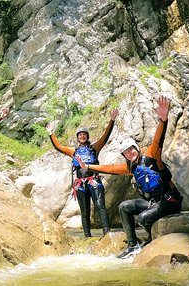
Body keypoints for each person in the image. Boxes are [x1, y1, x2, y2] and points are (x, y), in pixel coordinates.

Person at [77, 96, 182, 258]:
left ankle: (153, 240)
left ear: (136, 148)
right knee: (124, 206)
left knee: (142, 218)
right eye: (126, 152)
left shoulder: (151, 155)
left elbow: (158, 140)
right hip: (152, 203)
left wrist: (163, 119)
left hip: (169, 201)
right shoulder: (130, 167)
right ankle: (133, 245)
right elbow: (109, 168)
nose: (129, 153)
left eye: (131, 149)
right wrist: (88, 166)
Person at [46, 108, 119, 237]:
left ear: (87, 136)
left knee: (100, 206)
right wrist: (51, 133)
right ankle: (87, 236)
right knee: (84, 211)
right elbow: (59, 147)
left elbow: (104, 137)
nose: (82, 136)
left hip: (94, 181)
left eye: (84, 134)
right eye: (80, 134)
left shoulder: (94, 148)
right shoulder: (73, 151)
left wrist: (112, 121)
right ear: (77, 138)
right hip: (80, 184)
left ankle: (107, 233)